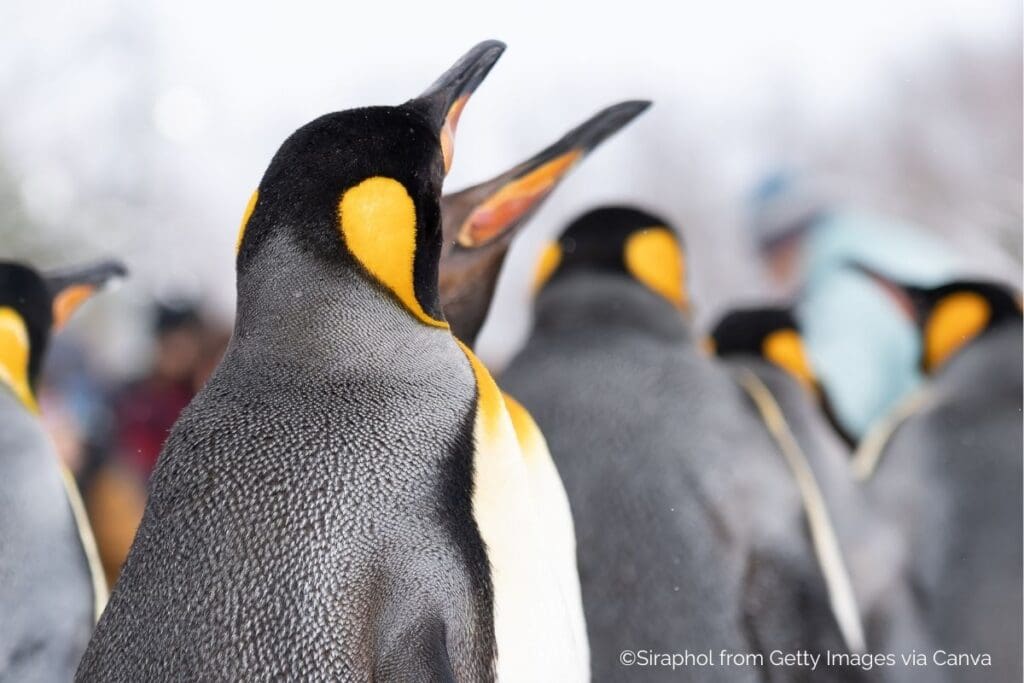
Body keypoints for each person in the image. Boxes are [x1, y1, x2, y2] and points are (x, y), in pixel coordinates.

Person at [748, 171, 958, 441]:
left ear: (784, 245)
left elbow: (835, 414)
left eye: (769, 262)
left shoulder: (843, 294)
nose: (771, 278)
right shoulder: (894, 246)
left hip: (954, 456)